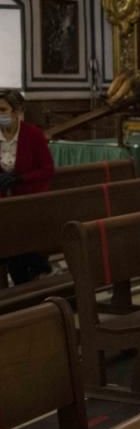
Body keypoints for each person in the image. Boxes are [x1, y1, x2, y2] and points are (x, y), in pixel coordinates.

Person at [0, 89, 55, 284]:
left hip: (30, 204)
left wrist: (20, 179)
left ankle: (28, 284)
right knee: (12, 240)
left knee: (19, 240)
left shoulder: (33, 135)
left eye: (3, 110)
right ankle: (37, 270)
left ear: (17, 112)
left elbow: (48, 169)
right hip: (4, 207)